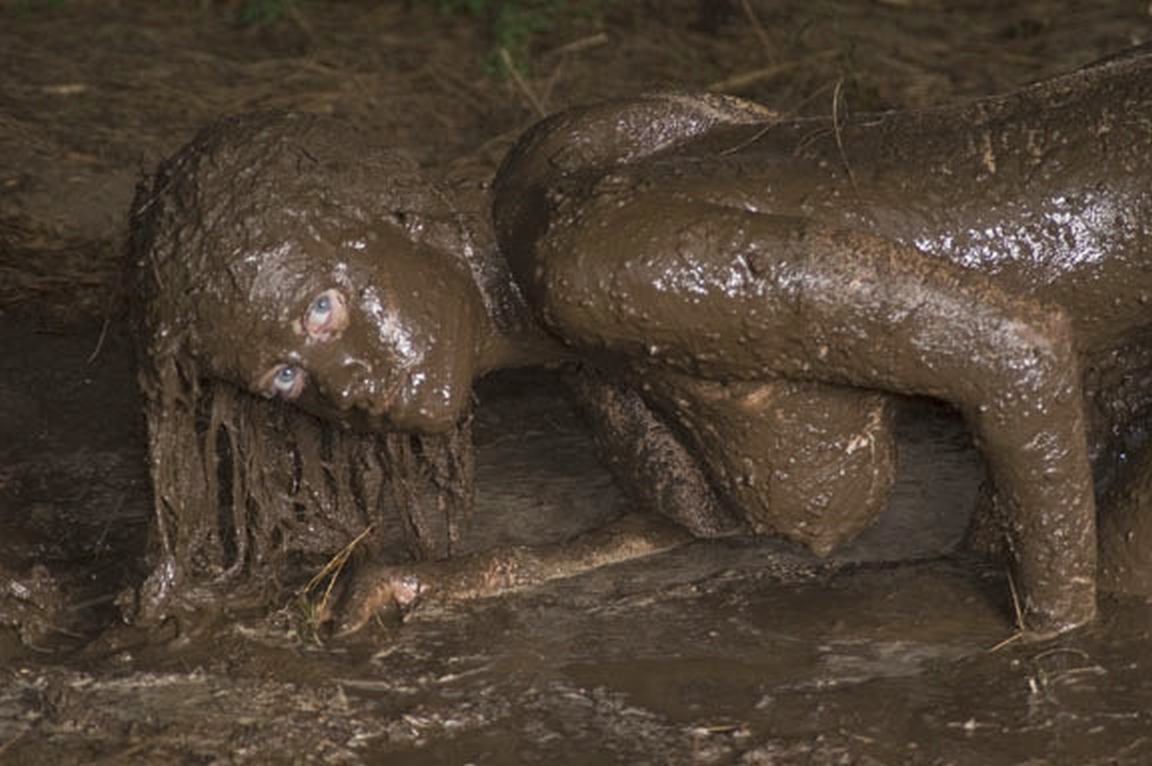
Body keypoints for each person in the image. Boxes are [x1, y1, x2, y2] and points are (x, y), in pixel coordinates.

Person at [132, 50, 1152, 639]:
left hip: (1088, 283)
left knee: (1069, 603)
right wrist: (493, 573)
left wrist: (1055, 665)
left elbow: (1021, 350)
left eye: (323, 312)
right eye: (286, 373)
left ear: (377, 216)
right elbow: (749, 508)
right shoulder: (552, 202)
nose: (343, 386)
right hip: (1119, 295)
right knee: (1019, 555)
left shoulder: (598, 265)